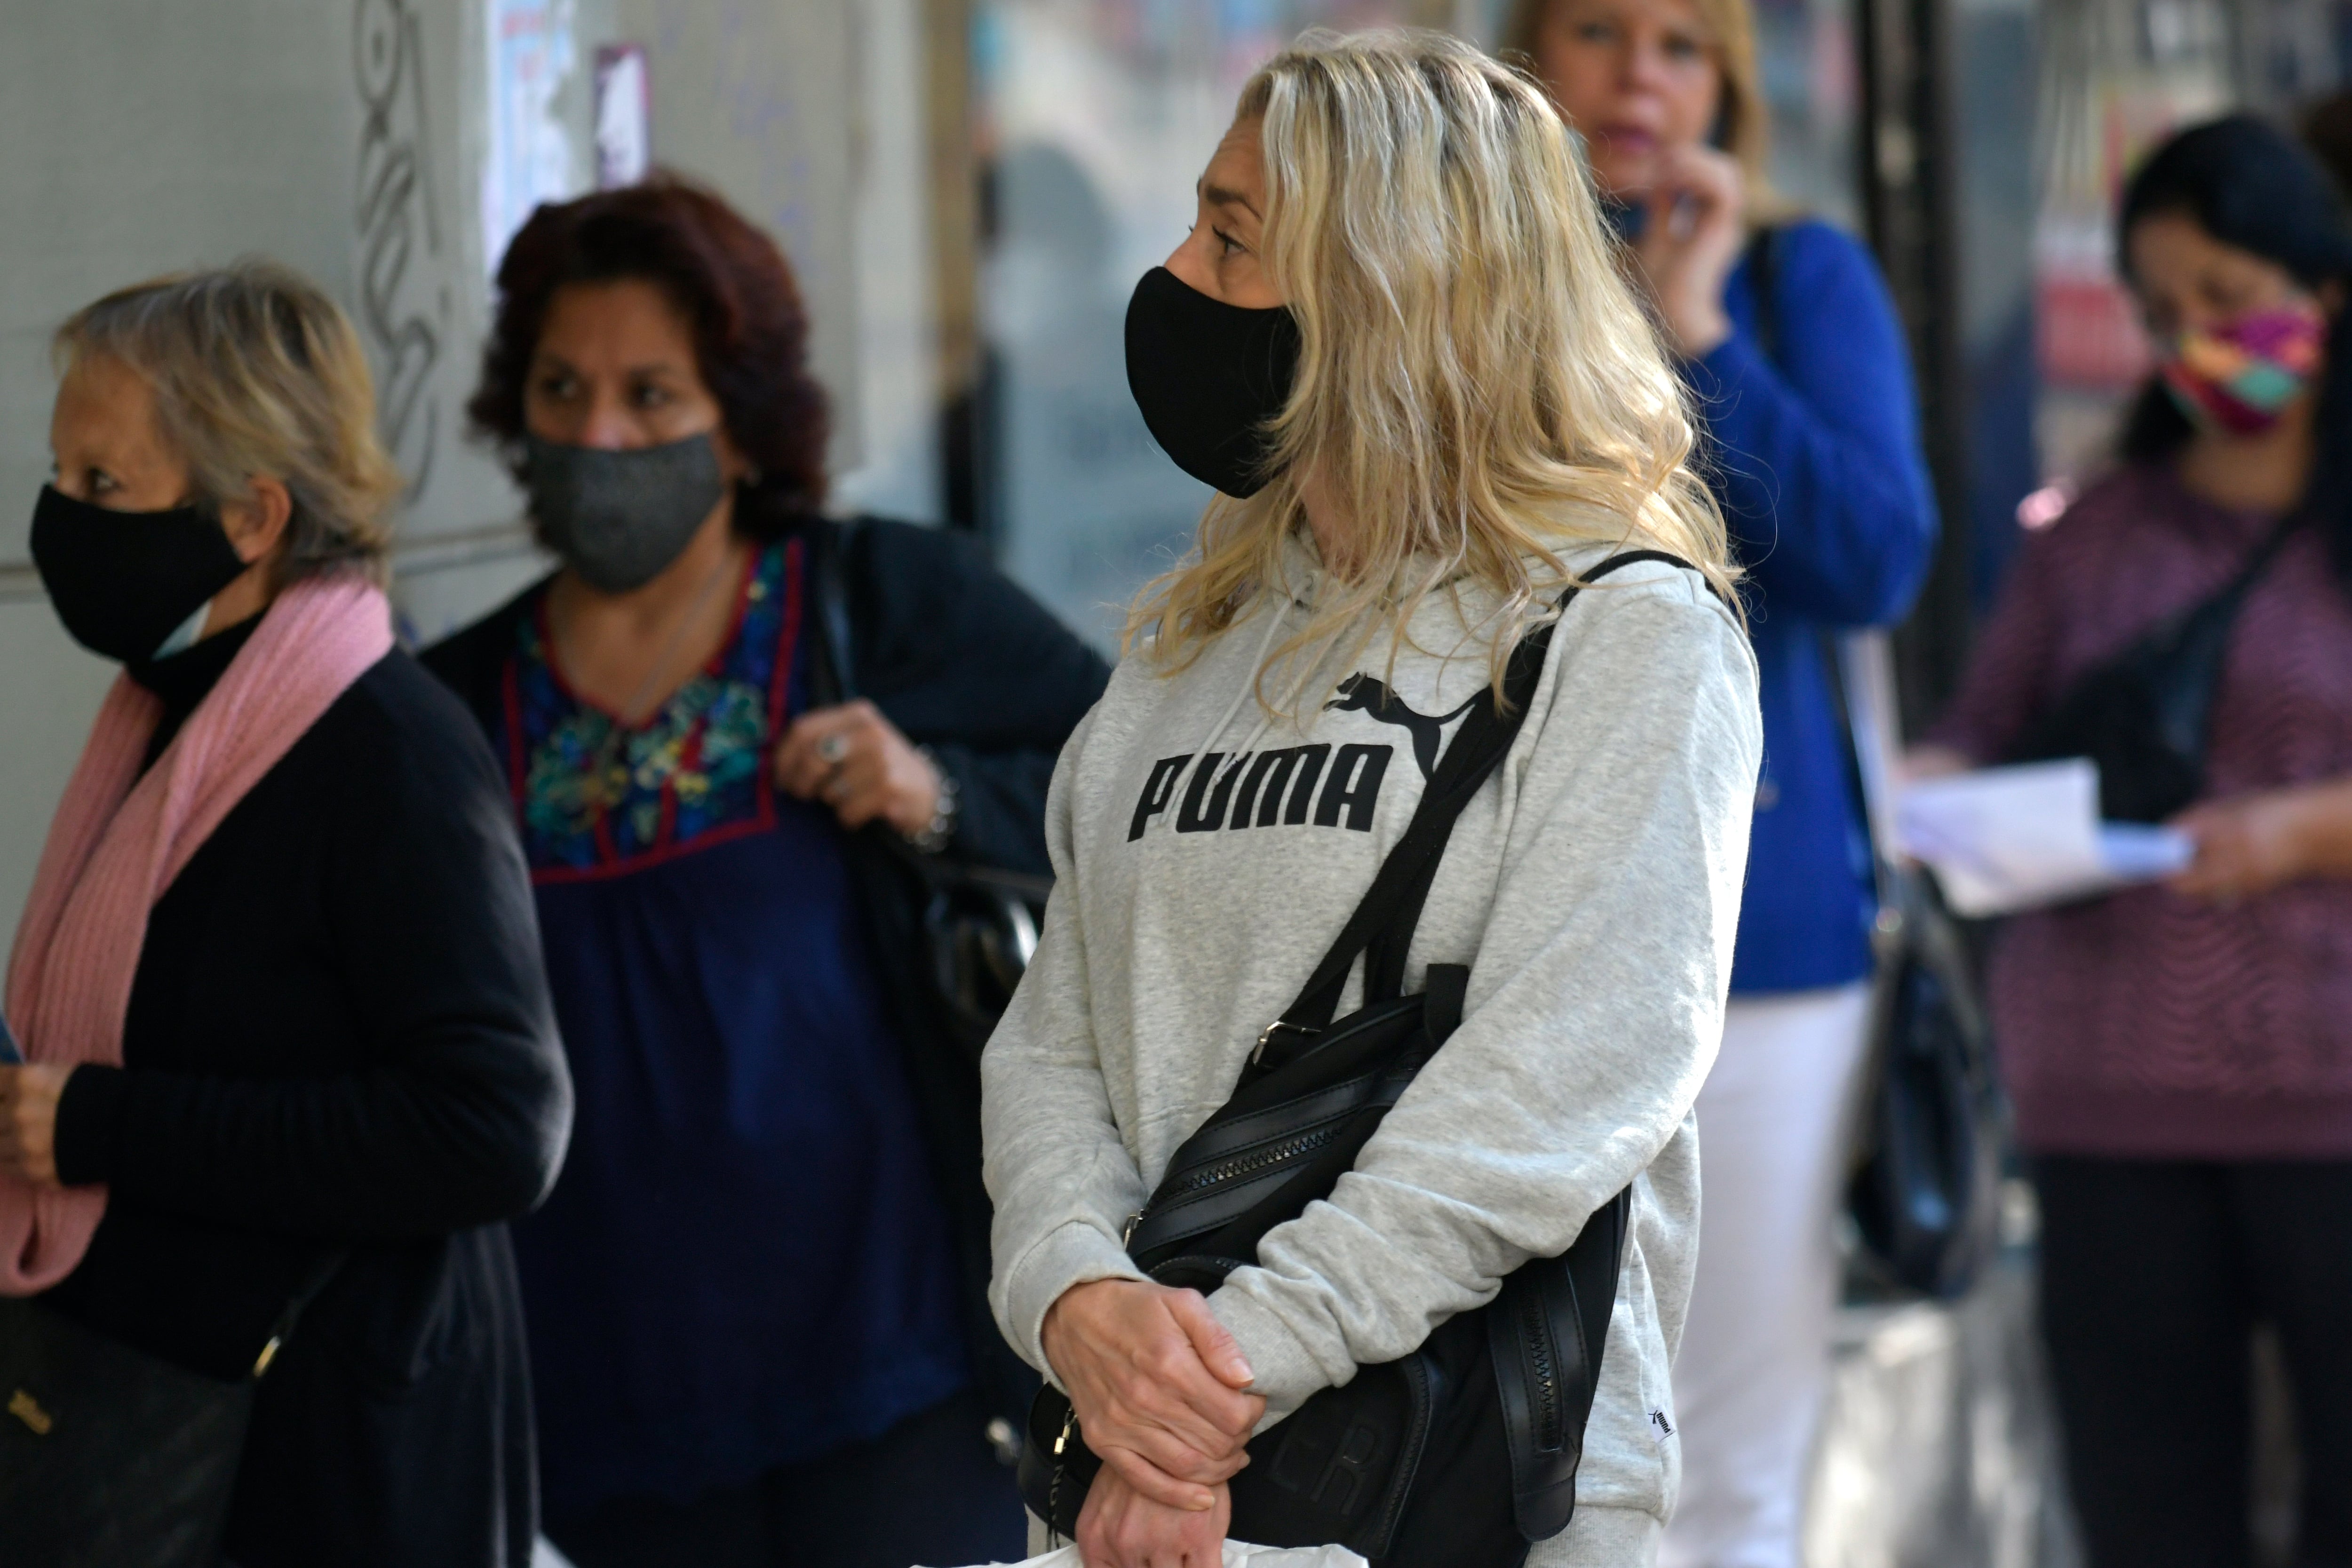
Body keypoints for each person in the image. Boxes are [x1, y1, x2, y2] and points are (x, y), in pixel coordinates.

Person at [983, 31, 1762, 1568]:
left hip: (1468, 1487)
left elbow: (1568, 1079)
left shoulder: (1618, 630)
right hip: (1147, 1483)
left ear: (1388, 292)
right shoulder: (1182, 648)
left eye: (1230, 238)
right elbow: (1054, 1040)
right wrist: (1077, 1305)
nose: (1177, 278)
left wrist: (1223, 1378)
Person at [421, 176, 1110, 1568]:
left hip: (889, 1381)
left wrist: (937, 797)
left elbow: (1144, 801)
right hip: (592, 1411)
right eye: (562, 391)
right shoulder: (453, 705)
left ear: (739, 421)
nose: (599, 436)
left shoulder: (879, 604)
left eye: (651, 398)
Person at [0, 264, 570, 1566]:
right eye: (60, 475)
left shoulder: (384, 754)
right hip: (180, 1424)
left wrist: (96, 1123)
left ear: (253, 516)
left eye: (105, 486)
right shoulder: (172, 715)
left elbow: (493, 1128)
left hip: (338, 1459)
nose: (60, 521)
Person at [1508, 2, 1939, 1561]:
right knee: (1534, 1462)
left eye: (1685, 43)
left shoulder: (1790, 275)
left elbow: (1874, 556)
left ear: (1729, 92)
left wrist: (1700, 331)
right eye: (1601, 29)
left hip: (1761, 937)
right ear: (1523, 58)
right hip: (1507, 938)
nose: (1639, 71)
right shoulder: (1475, 287)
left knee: (1732, 1461)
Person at [1914, 116, 2352, 1568]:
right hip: (2104, 1109)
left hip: (2333, 1104)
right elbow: (1977, 731)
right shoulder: (2091, 535)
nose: (2199, 345)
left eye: (2228, 298)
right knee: (2150, 1520)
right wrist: (1927, 798)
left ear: (2322, 283)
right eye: (2164, 314)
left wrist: (2302, 830)